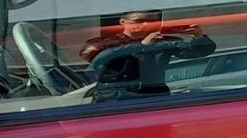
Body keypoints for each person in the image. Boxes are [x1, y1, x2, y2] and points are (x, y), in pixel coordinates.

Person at [76, 9, 216, 99]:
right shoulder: (107, 42)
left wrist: (198, 37)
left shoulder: (161, 42)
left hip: (153, 94)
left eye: (150, 21)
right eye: (138, 21)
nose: (145, 25)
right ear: (122, 22)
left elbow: (196, 52)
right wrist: (141, 46)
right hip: (115, 96)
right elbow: (92, 56)